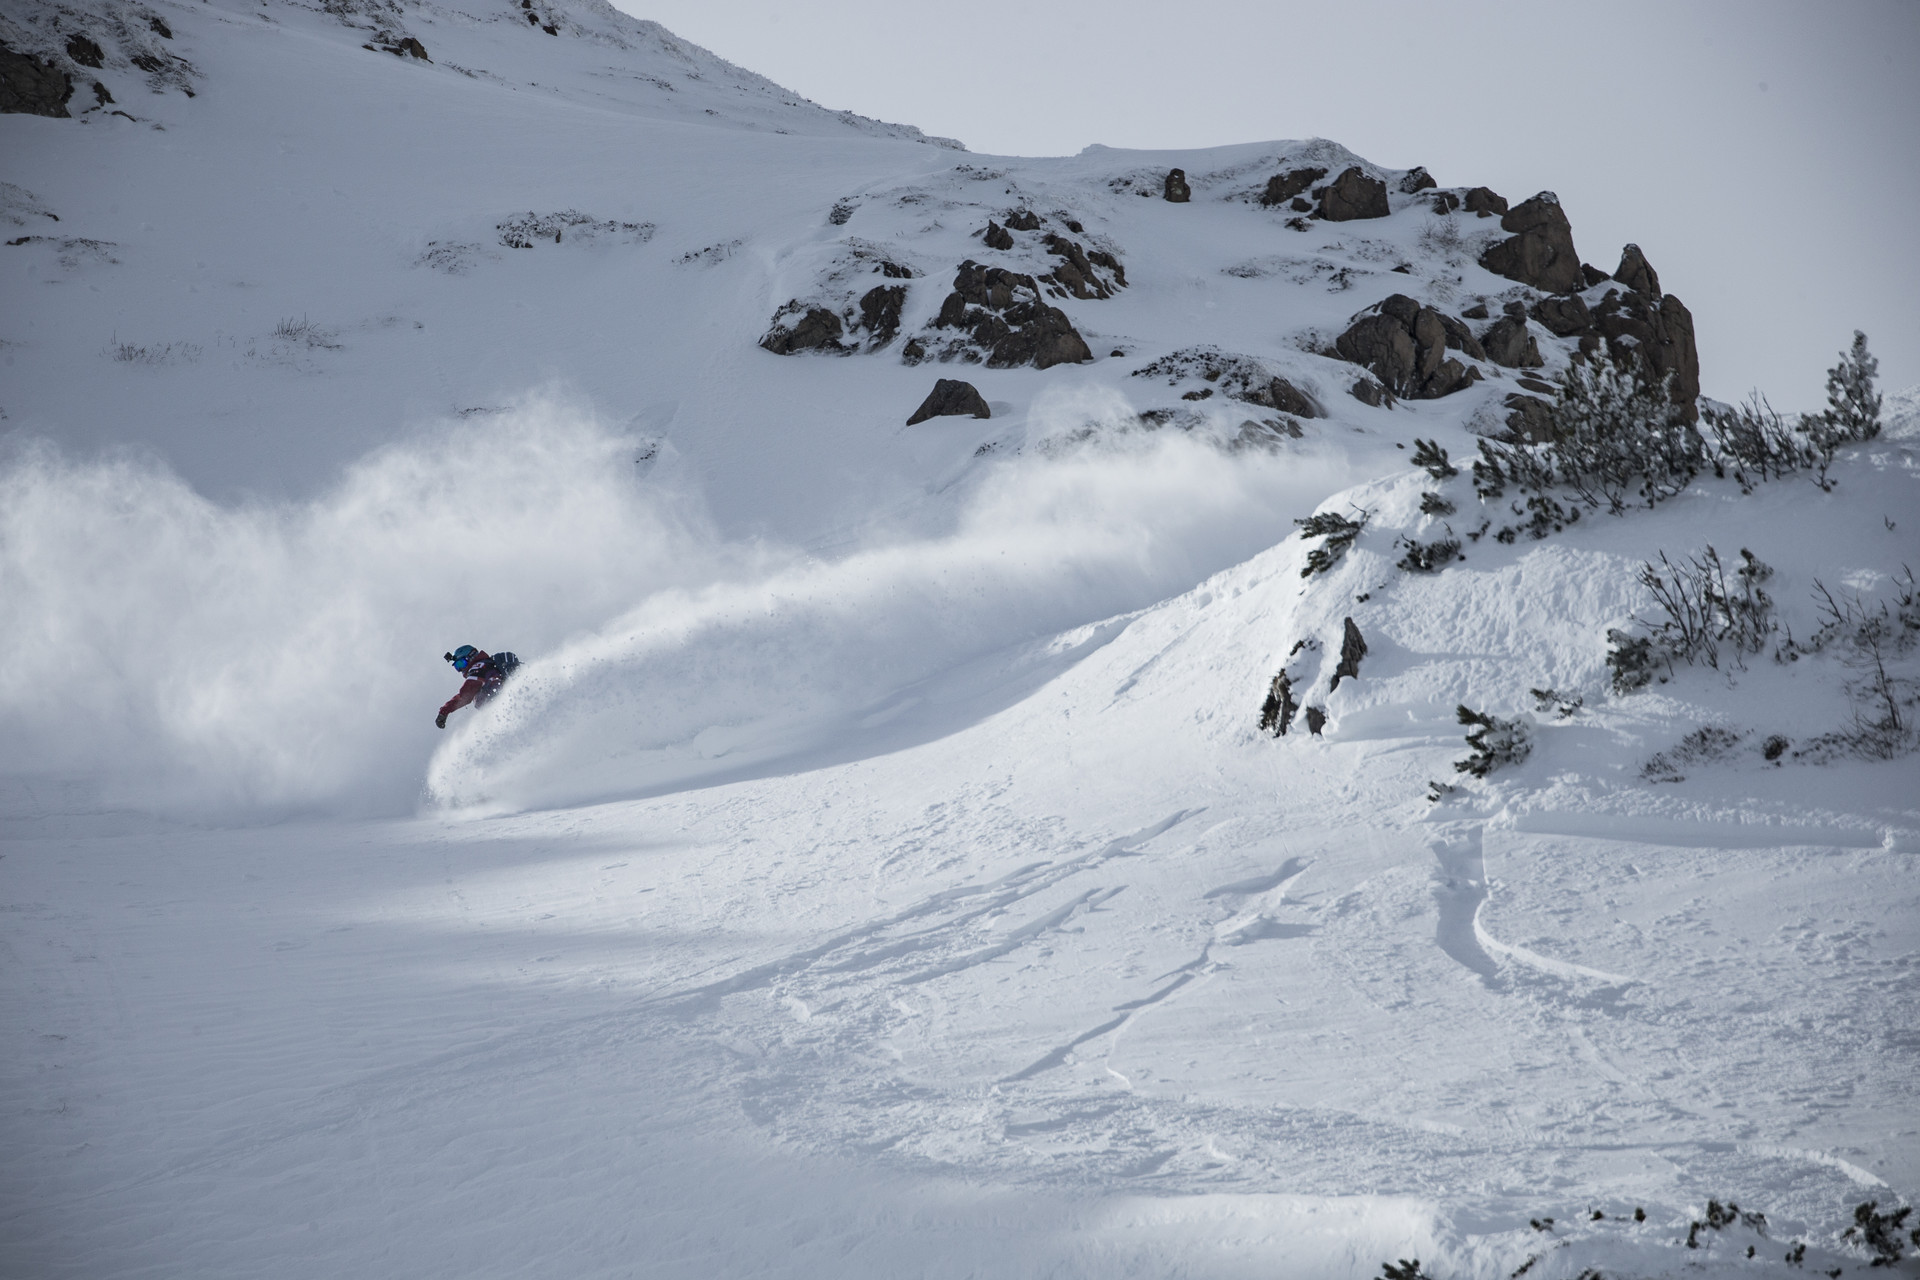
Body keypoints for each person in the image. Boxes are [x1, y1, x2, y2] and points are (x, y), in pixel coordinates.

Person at [437, 645, 519, 728]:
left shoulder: (478, 668)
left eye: (461, 664)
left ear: (471, 657)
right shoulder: (488, 664)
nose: (460, 670)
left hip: (504, 702)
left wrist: (444, 711)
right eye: (457, 667)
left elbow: (465, 694)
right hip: (507, 703)